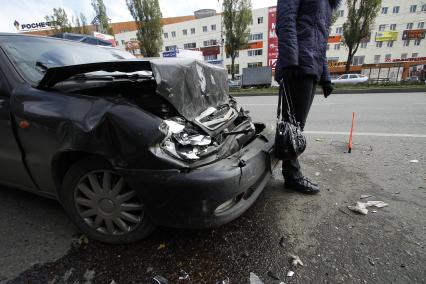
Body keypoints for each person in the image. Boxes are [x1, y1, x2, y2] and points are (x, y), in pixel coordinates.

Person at [275, 0, 341, 194]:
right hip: (298, 65)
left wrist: (325, 76)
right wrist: (290, 62)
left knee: (296, 126)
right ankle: (292, 176)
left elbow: (319, 42)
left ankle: (290, 172)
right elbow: (285, 22)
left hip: (311, 66)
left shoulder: (326, 4)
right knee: (293, 126)